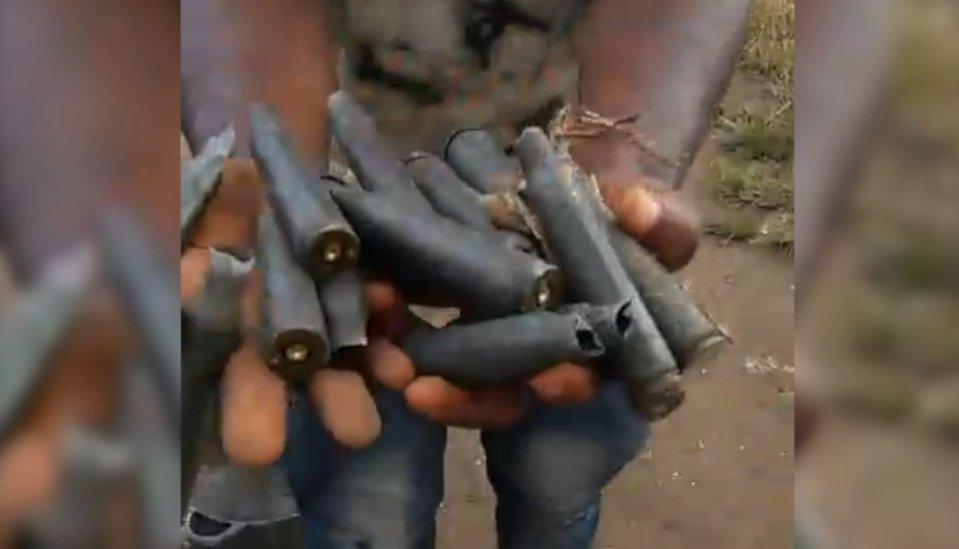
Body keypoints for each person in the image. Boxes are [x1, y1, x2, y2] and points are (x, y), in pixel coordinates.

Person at [181, 0, 749, 546]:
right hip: (342, 184)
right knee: (366, 498)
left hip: (557, 155)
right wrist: (279, 186)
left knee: (557, 472)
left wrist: (619, 170)